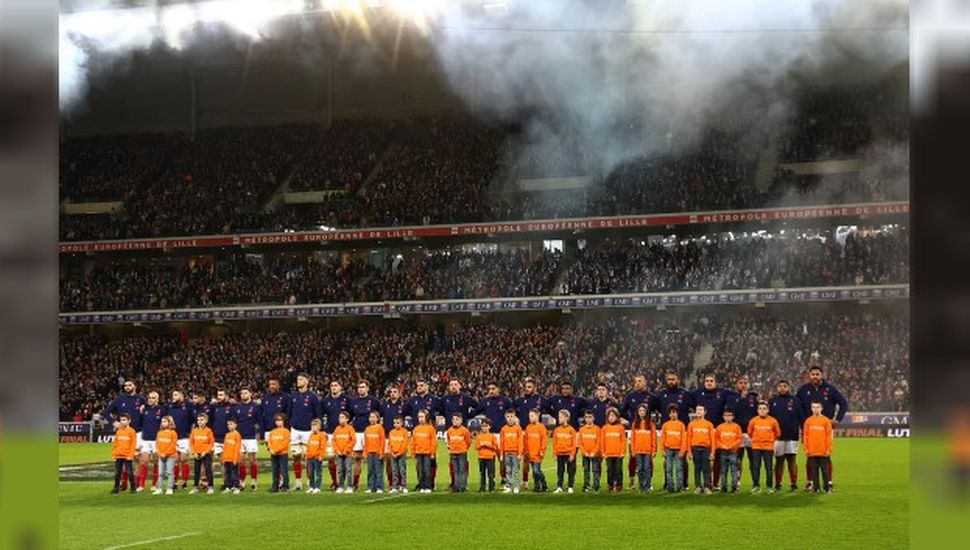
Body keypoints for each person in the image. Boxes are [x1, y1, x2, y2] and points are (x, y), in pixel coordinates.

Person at [796, 366, 847, 491]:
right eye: (812, 374)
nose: (815, 376)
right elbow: (797, 406)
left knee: (826, 455)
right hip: (809, 427)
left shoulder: (830, 389)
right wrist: (802, 422)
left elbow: (843, 403)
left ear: (822, 375)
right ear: (809, 375)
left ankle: (828, 482)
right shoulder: (803, 389)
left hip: (825, 428)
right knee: (809, 456)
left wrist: (837, 419)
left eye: (817, 374)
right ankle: (810, 482)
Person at [102, 380, 146, 492]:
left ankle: (136, 484)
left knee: (137, 459)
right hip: (124, 432)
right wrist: (113, 422)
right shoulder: (119, 399)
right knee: (122, 457)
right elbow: (106, 412)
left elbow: (148, 412)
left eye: (129, 385)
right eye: (125, 385)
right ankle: (124, 483)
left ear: (135, 386)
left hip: (138, 432)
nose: (127, 387)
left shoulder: (141, 399)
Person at [692, 375, 728, 489]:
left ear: (716, 382)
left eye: (711, 381)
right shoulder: (697, 393)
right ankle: (703, 484)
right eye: (707, 381)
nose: (709, 383)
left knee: (717, 459)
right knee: (702, 463)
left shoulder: (722, 393)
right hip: (702, 432)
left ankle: (715, 483)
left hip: (718, 431)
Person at [769, 380, 804, 492]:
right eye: (780, 386)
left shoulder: (795, 401)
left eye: (785, 386)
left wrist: (803, 432)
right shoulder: (772, 401)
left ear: (789, 387)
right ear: (777, 388)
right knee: (779, 461)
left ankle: (793, 484)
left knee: (791, 460)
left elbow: (801, 418)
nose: (782, 388)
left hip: (792, 436)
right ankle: (777, 484)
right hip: (777, 438)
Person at [474, 382, 512, 486]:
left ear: (498, 389)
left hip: (501, 433)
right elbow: (475, 411)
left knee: (502, 458)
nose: (491, 390)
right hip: (489, 435)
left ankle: (504, 478)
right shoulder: (485, 401)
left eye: (493, 388)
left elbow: (512, 413)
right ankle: (492, 479)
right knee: (490, 458)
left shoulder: (505, 401)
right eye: (489, 388)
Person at [405, 380, 441, 491]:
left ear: (427, 386)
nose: (419, 387)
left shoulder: (434, 399)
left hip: (429, 433)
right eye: (418, 386)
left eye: (422, 385)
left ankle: (431, 483)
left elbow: (441, 410)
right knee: (420, 465)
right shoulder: (412, 400)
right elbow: (405, 412)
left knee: (431, 462)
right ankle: (421, 483)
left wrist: (436, 421)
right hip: (418, 433)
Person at [288, 372, 321, 491]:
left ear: (307, 382)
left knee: (309, 457)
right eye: (298, 379)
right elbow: (289, 412)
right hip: (295, 429)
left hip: (308, 430)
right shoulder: (293, 396)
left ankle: (309, 481)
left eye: (301, 379)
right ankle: (297, 481)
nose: (298, 382)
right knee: (296, 456)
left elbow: (318, 414)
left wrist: (316, 428)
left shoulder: (312, 396)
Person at [442, 379, 477, 490]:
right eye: (451, 384)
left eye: (455, 384)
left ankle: (463, 484)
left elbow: (478, 406)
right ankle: (454, 482)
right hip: (449, 431)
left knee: (462, 460)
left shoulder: (465, 398)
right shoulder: (444, 399)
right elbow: (438, 409)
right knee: (452, 459)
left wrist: (468, 416)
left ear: (460, 386)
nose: (453, 386)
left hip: (462, 432)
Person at [724, 376, 759, 488]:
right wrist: (741, 399)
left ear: (748, 384)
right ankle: (737, 481)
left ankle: (755, 482)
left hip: (751, 434)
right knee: (737, 459)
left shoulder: (753, 397)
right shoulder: (731, 397)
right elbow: (732, 412)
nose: (743, 385)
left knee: (753, 459)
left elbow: (758, 414)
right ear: (736, 385)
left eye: (745, 383)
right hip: (736, 433)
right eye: (740, 383)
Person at [621, 376, 654, 489]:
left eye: (640, 381)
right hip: (633, 429)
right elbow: (622, 411)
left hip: (647, 428)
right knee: (633, 456)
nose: (637, 383)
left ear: (645, 382)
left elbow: (658, 409)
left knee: (648, 459)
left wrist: (649, 420)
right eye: (635, 381)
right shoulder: (630, 396)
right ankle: (632, 480)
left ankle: (649, 483)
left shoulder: (651, 397)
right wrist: (631, 419)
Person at [514, 378, 547, 486]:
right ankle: (525, 481)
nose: (527, 389)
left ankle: (537, 481)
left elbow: (550, 409)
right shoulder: (520, 400)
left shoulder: (541, 399)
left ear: (534, 388)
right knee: (525, 458)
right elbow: (512, 409)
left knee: (536, 457)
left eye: (529, 387)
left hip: (536, 432)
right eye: (526, 387)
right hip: (524, 431)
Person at [350, 380, 381, 491]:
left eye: (363, 387)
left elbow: (379, 414)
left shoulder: (374, 401)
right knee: (357, 458)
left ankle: (376, 484)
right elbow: (349, 415)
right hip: (357, 432)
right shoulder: (353, 401)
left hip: (371, 433)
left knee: (373, 458)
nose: (361, 389)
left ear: (367, 388)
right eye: (359, 387)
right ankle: (355, 483)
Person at [321, 380, 350, 491]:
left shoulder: (347, 400)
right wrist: (323, 429)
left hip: (343, 433)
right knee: (331, 458)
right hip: (330, 432)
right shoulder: (325, 401)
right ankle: (335, 481)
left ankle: (344, 482)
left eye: (336, 385)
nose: (333, 387)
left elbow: (350, 414)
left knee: (343, 458)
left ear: (340, 387)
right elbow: (321, 415)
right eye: (331, 385)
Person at [747, 401, 781, 494]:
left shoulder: (773, 421)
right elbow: (750, 433)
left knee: (769, 468)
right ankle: (756, 486)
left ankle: (769, 487)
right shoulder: (753, 421)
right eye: (760, 409)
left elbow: (777, 433)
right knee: (756, 467)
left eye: (764, 409)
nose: (762, 410)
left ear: (768, 410)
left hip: (768, 447)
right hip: (756, 447)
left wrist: (769, 440)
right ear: (757, 410)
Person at [233, 388, 261, 491]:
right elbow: (234, 421)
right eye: (241, 393)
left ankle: (253, 481)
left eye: (245, 393)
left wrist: (259, 434)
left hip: (251, 437)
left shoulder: (255, 407)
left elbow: (260, 421)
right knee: (241, 461)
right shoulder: (237, 407)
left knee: (252, 460)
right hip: (240, 437)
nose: (243, 395)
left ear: (250, 394)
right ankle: (242, 482)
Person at [166, 390, 195, 490]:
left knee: (184, 459)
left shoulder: (188, 406)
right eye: (173, 394)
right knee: (175, 460)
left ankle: (185, 481)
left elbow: (194, 418)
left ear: (182, 396)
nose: (173, 396)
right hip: (172, 437)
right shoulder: (169, 407)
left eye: (176, 394)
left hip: (184, 436)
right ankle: (175, 481)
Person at [136, 391, 164, 492]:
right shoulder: (144, 409)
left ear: (157, 399)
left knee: (156, 462)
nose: (151, 400)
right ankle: (141, 485)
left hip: (157, 440)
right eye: (149, 398)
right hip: (145, 439)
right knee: (144, 461)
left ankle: (154, 484)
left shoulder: (162, 410)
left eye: (153, 398)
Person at [803, 401, 833, 493]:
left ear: (821, 408)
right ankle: (816, 488)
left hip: (823, 451)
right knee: (814, 471)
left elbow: (829, 436)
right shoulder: (808, 421)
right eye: (813, 407)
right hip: (812, 451)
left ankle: (827, 488)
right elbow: (805, 436)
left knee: (825, 471)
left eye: (817, 407)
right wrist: (806, 449)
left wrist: (828, 449)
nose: (815, 409)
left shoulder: (826, 420)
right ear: (811, 409)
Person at [381, 385, 407, 488]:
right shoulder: (384, 405)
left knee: (401, 462)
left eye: (395, 392)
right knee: (389, 461)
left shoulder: (403, 405)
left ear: (399, 393)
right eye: (391, 392)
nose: (393, 394)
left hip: (400, 436)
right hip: (388, 435)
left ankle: (402, 482)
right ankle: (392, 482)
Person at [687, 404, 716, 494]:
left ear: (705, 412)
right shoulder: (691, 424)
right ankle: (698, 486)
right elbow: (688, 438)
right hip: (695, 448)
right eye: (697, 410)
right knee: (697, 468)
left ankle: (706, 486)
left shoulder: (709, 424)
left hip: (706, 448)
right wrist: (689, 451)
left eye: (700, 410)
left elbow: (712, 439)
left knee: (706, 468)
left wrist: (712, 452)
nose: (698, 412)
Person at [660, 405, 688, 493]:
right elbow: (662, 439)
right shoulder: (665, 425)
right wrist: (663, 450)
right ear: (669, 414)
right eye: (671, 413)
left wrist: (682, 451)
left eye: (674, 412)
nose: (673, 414)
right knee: (668, 469)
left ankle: (680, 487)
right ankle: (670, 487)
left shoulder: (681, 425)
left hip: (678, 450)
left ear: (677, 413)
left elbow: (684, 439)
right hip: (668, 449)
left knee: (679, 469)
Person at [629, 404, 656, 494]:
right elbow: (632, 439)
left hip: (648, 451)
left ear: (646, 412)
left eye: (643, 411)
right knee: (640, 469)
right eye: (640, 411)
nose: (642, 412)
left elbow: (653, 438)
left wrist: (654, 450)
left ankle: (647, 486)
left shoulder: (650, 424)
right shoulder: (635, 424)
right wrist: (632, 450)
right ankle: (641, 487)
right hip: (638, 451)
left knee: (647, 469)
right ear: (637, 412)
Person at [715, 409, 742, 493]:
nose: (728, 417)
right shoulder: (719, 427)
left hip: (733, 451)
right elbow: (716, 439)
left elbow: (739, 439)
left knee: (734, 470)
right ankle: (723, 487)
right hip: (723, 452)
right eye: (726, 415)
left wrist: (731, 446)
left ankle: (734, 487)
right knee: (723, 470)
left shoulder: (736, 427)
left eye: (730, 415)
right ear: (723, 417)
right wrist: (722, 446)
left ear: (733, 417)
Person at [110, 413, 137, 494]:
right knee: (117, 472)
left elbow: (133, 444)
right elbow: (115, 444)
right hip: (118, 455)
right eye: (121, 420)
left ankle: (133, 487)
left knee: (129, 472)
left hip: (127, 455)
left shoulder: (131, 431)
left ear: (129, 421)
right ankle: (116, 487)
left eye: (124, 420)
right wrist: (114, 454)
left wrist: (131, 455)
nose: (122, 422)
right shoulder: (119, 431)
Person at [411, 409, 436, 493]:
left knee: (427, 470)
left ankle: (428, 486)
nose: (420, 419)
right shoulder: (416, 429)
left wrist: (432, 453)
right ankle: (422, 486)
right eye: (419, 417)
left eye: (422, 417)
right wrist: (413, 452)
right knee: (420, 470)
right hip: (418, 452)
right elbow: (413, 442)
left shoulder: (430, 428)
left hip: (427, 453)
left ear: (426, 417)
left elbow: (433, 442)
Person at [499, 409, 524, 494]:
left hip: (515, 452)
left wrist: (520, 453)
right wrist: (501, 454)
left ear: (514, 417)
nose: (510, 418)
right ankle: (509, 486)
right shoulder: (503, 429)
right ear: (505, 418)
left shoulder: (518, 428)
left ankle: (516, 486)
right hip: (506, 452)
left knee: (516, 470)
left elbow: (520, 442)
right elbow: (501, 442)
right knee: (508, 470)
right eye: (508, 417)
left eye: (511, 417)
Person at [189, 413, 215, 495]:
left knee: (208, 470)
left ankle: (210, 487)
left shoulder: (209, 431)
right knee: (197, 471)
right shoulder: (194, 431)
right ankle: (195, 487)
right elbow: (191, 443)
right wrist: (194, 452)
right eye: (198, 420)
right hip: (197, 453)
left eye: (201, 420)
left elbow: (211, 443)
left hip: (206, 453)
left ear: (206, 421)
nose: (199, 422)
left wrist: (206, 452)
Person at [552, 410, 577, 493]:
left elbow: (574, 443)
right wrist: (554, 454)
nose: (559, 419)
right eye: (559, 417)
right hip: (560, 453)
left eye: (561, 417)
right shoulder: (556, 430)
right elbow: (554, 443)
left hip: (568, 453)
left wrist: (572, 454)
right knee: (560, 471)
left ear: (566, 418)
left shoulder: (571, 430)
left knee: (570, 470)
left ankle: (570, 486)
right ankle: (559, 486)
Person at [578, 410, 603, 492]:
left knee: (595, 470)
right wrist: (584, 452)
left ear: (593, 418)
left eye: (590, 417)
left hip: (595, 454)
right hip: (585, 454)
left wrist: (594, 452)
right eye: (586, 417)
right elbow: (580, 442)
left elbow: (599, 442)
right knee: (586, 470)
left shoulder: (597, 429)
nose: (588, 419)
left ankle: (596, 486)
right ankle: (586, 485)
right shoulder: (582, 429)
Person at [601, 407, 626, 492]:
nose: (611, 417)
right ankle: (610, 485)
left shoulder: (620, 428)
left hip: (618, 453)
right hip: (608, 453)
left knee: (618, 470)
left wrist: (622, 452)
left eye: (613, 415)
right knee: (610, 470)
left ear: (617, 417)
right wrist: (603, 452)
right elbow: (602, 441)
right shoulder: (604, 428)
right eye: (609, 416)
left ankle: (619, 485)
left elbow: (623, 441)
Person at [524, 408, 549, 492]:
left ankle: (544, 484)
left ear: (537, 416)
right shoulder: (528, 427)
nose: (530, 418)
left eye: (532, 416)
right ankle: (537, 486)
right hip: (530, 453)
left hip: (538, 453)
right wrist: (526, 451)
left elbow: (544, 440)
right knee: (534, 472)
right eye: (529, 416)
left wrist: (542, 450)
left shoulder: (541, 427)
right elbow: (526, 441)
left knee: (536, 470)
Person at [446, 412, 472, 492]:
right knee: (455, 470)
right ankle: (456, 486)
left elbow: (468, 442)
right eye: (453, 419)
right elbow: (449, 441)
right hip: (453, 452)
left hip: (462, 452)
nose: (455, 421)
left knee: (462, 470)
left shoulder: (465, 431)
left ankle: (462, 486)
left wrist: (464, 448)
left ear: (461, 420)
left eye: (457, 419)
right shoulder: (449, 430)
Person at [332, 411, 356, 494]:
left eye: (342, 417)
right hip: (339, 454)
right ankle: (341, 486)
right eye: (339, 417)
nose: (340, 419)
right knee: (340, 470)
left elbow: (353, 440)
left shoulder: (350, 429)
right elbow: (334, 440)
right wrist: (337, 450)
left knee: (349, 469)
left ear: (347, 419)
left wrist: (346, 450)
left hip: (348, 454)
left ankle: (349, 486)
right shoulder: (337, 429)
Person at [364, 410, 386, 494]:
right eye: (370, 417)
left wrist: (381, 452)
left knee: (378, 471)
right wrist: (365, 452)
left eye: (373, 417)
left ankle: (379, 487)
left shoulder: (380, 428)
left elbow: (382, 441)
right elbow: (366, 442)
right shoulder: (367, 429)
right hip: (370, 452)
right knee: (370, 471)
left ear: (377, 418)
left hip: (377, 453)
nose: (371, 419)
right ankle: (370, 487)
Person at [267, 413, 291, 493]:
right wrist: (271, 449)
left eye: (280, 420)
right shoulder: (272, 432)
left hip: (282, 454)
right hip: (273, 454)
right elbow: (269, 442)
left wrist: (276, 450)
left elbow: (285, 443)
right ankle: (275, 486)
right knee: (274, 470)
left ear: (283, 421)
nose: (278, 422)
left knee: (284, 470)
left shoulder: (286, 431)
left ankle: (285, 485)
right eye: (276, 420)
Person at [154, 416, 177, 495]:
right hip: (161, 456)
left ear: (170, 422)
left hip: (170, 456)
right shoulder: (159, 433)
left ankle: (169, 488)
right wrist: (160, 453)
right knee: (160, 473)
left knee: (170, 473)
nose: (163, 423)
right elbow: (157, 444)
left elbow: (173, 445)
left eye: (165, 421)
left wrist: (166, 453)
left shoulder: (173, 433)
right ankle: (159, 488)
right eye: (162, 421)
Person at [387, 416, 409, 493]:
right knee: (394, 470)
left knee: (402, 470)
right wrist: (392, 452)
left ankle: (404, 485)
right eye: (394, 423)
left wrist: (400, 453)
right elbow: (389, 444)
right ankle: (395, 486)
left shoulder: (404, 432)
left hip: (401, 454)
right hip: (393, 454)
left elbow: (405, 444)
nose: (396, 424)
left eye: (398, 423)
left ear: (402, 423)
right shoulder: (391, 432)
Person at [475, 419, 498, 492]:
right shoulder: (479, 437)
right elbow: (476, 447)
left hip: (490, 457)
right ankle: (482, 487)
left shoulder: (492, 436)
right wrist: (481, 445)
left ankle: (491, 487)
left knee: (491, 474)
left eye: (486, 426)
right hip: (481, 457)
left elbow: (495, 447)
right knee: (482, 474)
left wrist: (488, 445)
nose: (484, 428)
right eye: (483, 426)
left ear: (489, 427)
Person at [306, 418, 326, 494]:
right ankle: (311, 486)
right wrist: (307, 454)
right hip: (310, 457)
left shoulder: (321, 436)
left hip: (317, 457)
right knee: (310, 473)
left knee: (318, 473)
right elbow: (308, 445)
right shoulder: (311, 435)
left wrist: (321, 455)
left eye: (315, 425)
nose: (313, 427)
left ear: (319, 427)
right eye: (312, 425)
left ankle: (317, 487)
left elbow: (322, 446)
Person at [221, 418, 242, 494]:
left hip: (233, 458)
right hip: (227, 457)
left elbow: (237, 448)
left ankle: (237, 487)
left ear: (235, 425)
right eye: (228, 424)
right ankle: (228, 486)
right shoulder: (227, 435)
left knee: (234, 473)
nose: (229, 426)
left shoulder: (237, 435)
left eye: (231, 424)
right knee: (227, 473)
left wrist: (235, 458)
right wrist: (223, 457)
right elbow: (225, 447)